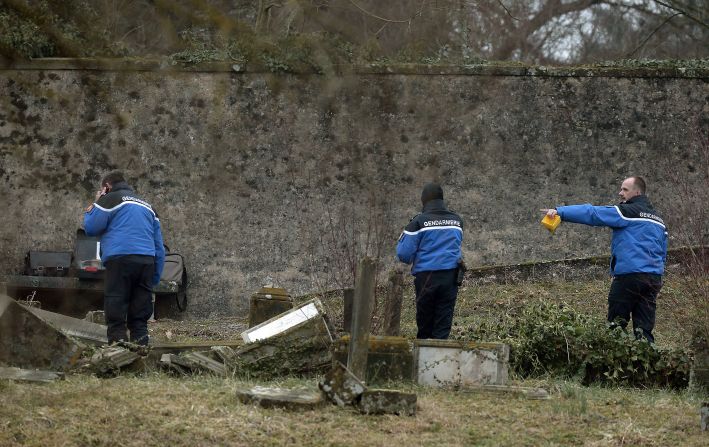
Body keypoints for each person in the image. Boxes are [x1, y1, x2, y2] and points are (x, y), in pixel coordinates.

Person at [542, 176, 667, 343]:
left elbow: (593, 213)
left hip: (629, 277)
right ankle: (647, 365)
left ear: (637, 192)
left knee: (616, 327)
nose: (620, 193)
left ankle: (614, 365)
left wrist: (561, 212)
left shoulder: (626, 212)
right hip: (653, 280)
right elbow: (663, 252)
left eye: (625, 189)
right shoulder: (659, 221)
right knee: (644, 332)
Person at [84, 171, 165, 345]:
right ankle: (141, 348)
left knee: (116, 302)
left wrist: (97, 202)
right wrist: (155, 276)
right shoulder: (148, 206)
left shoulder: (109, 199)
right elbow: (159, 246)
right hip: (146, 261)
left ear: (107, 187)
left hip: (120, 259)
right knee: (140, 312)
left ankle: (118, 348)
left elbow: (91, 227)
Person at [396, 183, 464, 339]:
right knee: (443, 323)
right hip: (451, 278)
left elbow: (403, 255)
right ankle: (439, 360)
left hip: (427, 278)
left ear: (423, 200)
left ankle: (423, 360)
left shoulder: (418, 222)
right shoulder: (457, 221)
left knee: (425, 325)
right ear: (441, 199)